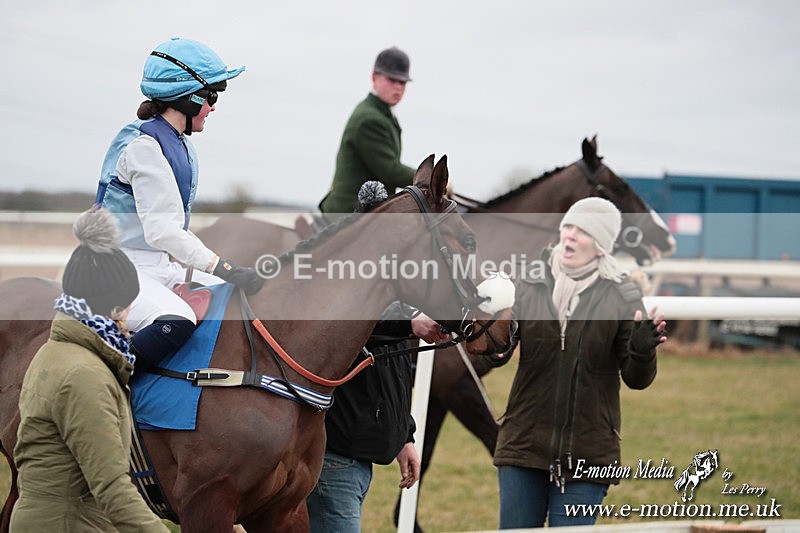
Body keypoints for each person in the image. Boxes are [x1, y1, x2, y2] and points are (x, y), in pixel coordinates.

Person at [491, 197, 668, 528]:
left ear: (600, 246)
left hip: (589, 454)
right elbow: (496, 353)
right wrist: (487, 330)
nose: (570, 236)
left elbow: (636, 378)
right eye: (568, 226)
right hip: (523, 445)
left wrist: (643, 349)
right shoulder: (526, 283)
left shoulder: (623, 296)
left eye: (582, 231)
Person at [94, 37, 262, 371]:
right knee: (178, 320)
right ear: (189, 98)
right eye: (211, 96)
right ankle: (104, 383)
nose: (214, 106)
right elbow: (161, 231)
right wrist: (221, 266)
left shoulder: (177, 142)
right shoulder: (145, 147)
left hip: (155, 265)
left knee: (237, 299)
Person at [11, 208, 169, 532]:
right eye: (129, 304)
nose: (130, 316)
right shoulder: (83, 376)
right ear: (113, 309)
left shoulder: (56, 353)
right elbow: (112, 488)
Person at [306, 302, 449, 533]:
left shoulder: (391, 307)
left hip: (355, 459)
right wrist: (408, 323)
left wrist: (405, 436)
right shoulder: (345, 294)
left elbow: (393, 376)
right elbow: (351, 317)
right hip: (334, 457)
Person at [318, 46, 416, 219]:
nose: (398, 87)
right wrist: (430, 179)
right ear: (374, 78)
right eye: (392, 80)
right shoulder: (370, 119)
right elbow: (390, 170)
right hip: (350, 211)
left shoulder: (382, 114)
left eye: (402, 82)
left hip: (368, 209)